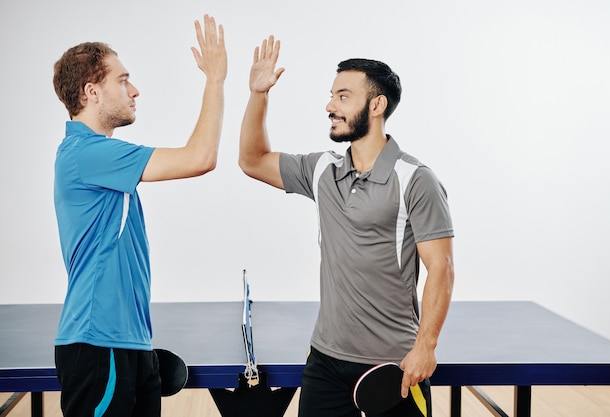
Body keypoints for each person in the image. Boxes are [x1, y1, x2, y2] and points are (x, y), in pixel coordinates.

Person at [239, 36, 455, 417]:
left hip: (393, 365)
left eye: (342, 97)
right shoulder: (323, 170)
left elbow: (441, 267)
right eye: (331, 96)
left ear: (376, 105)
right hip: (325, 360)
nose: (329, 106)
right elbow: (253, 160)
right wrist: (259, 95)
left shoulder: (415, 179)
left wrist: (427, 346)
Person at [51, 14, 226, 417]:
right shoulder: (87, 154)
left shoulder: (104, 158)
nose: (135, 90)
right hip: (99, 344)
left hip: (129, 343)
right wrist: (215, 80)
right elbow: (200, 158)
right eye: (123, 79)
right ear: (92, 92)